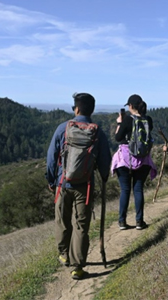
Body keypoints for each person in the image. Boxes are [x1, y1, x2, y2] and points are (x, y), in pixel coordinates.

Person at [46, 92, 111, 280]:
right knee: (81, 225)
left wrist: (51, 181)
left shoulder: (62, 128)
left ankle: (64, 254)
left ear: (76, 109)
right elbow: (105, 161)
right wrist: (104, 177)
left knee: (62, 220)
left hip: (62, 182)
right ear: (91, 110)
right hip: (86, 185)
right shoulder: (97, 131)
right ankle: (77, 267)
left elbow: (51, 158)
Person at [111, 94, 157, 230]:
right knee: (138, 190)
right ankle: (139, 221)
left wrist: (120, 122)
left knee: (125, 190)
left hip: (125, 158)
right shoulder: (148, 119)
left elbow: (118, 138)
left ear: (130, 106)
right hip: (143, 159)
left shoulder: (127, 120)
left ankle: (122, 222)